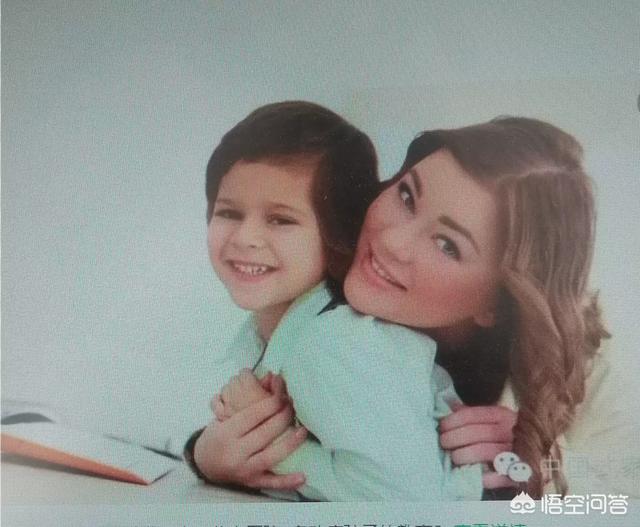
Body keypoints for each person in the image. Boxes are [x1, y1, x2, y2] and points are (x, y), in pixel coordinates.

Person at [190, 116, 635, 499]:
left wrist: (545, 463)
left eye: (447, 245)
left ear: (497, 304)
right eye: (406, 196)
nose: (391, 241)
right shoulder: (321, 298)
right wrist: (205, 453)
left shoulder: (594, 369)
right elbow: (215, 400)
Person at [186, 101, 484, 501]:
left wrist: (276, 454)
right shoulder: (267, 333)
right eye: (229, 213)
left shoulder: (330, 343)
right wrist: (204, 454)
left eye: (280, 219)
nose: (245, 238)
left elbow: (403, 497)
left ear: (337, 236)